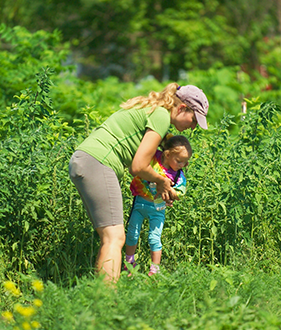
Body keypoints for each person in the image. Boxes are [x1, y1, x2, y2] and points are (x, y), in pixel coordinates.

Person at [69, 83, 209, 282]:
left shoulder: (153, 111)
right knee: (115, 238)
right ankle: (105, 302)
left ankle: (102, 298)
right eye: (194, 119)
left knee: (109, 237)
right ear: (182, 108)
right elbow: (139, 166)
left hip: (85, 161)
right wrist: (162, 181)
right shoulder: (161, 116)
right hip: (98, 163)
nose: (193, 127)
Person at [125, 134, 192, 276]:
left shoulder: (177, 175)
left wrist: (172, 192)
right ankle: (129, 264)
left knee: (154, 238)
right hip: (139, 203)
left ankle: (154, 270)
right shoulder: (154, 157)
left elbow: (181, 191)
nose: (183, 165)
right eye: (180, 161)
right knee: (132, 234)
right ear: (167, 155)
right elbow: (143, 152)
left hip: (158, 209)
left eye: (185, 162)